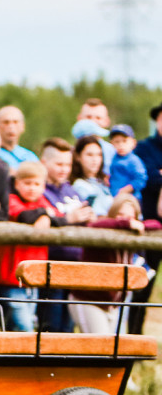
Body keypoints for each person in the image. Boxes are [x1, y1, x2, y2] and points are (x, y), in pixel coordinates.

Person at [70, 194, 161, 335]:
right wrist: (126, 223)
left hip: (115, 305)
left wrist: (140, 225)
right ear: (112, 214)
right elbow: (94, 225)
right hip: (89, 300)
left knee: (115, 350)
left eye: (130, 216)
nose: (125, 219)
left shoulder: (132, 234)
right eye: (120, 214)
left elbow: (156, 225)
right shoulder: (102, 229)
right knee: (98, 348)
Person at [0, 162, 61, 332]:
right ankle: (21, 358)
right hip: (9, 276)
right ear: (17, 183)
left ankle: (22, 358)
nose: (32, 188)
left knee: (29, 321)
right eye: (27, 183)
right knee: (23, 326)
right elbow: (25, 216)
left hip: (33, 277)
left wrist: (48, 218)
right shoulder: (11, 200)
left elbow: (60, 218)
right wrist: (45, 215)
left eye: (37, 184)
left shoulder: (42, 201)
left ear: (43, 186)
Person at [40, 137, 94, 333]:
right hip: (51, 267)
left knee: (69, 326)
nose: (64, 169)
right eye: (59, 164)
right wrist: (69, 218)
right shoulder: (39, 191)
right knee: (51, 323)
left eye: (68, 164)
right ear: (44, 163)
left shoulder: (71, 191)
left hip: (75, 267)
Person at [129, 101, 162, 335]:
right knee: (143, 282)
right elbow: (149, 179)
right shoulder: (144, 148)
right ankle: (133, 335)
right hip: (150, 227)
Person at [70, 135, 112, 216]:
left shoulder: (103, 183)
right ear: (78, 156)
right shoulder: (78, 185)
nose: (95, 159)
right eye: (89, 155)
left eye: (99, 155)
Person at [72, 98, 116, 174]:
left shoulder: (114, 152)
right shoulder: (70, 152)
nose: (93, 122)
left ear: (107, 121)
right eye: (88, 117)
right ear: (79, 118)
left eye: (98, 118)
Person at [108, 124, 147, 204]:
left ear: (133, 143)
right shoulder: (113, 159)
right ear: (112, 144)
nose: (121, 145)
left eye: (124, 141)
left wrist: (127, 189)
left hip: (131, 199)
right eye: (117, 142)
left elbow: (141, 179)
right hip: (115, 198)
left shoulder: (134, 160)